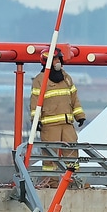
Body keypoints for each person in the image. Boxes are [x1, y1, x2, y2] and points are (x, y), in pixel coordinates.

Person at [28, 48, 86, 180]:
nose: (58, 61)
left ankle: (73, 181)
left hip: (67, 124)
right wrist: (35, 120)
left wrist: (80, 115)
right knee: (50, 156)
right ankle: (50, 181)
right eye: (55, 59)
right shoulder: (40, 80)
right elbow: (35, 102)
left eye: (59, 58)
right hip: (49, 126)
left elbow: (74, 98)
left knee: (71, 153)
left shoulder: (66, 77)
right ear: (47, 61)